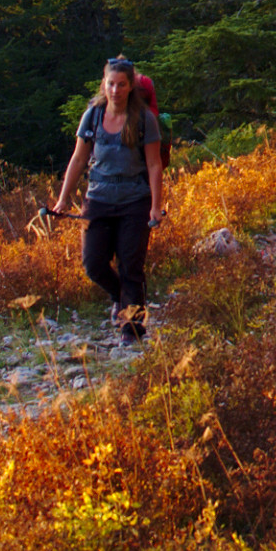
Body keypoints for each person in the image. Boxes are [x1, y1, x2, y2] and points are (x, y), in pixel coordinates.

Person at [51, 57, 167, 343]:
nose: (115, 90)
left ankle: (132, 330)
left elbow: (154, 165)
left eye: (121, 85)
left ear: (130, 87)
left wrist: (155, 206)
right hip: (98, 199)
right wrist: (63, 199)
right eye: (111, 84)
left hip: (135, 200)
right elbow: (78, 159)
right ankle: (120, 296)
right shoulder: (93, 116)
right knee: (93, 264)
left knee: (131, 265)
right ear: (104, 84)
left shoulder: (144, 120)